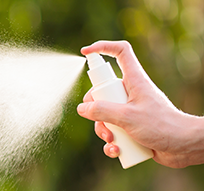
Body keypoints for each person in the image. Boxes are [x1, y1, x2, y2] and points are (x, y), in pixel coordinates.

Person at [78, 40, 204, 168]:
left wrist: (180, 135)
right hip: (172, 151)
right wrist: (185, 146)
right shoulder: (109, 88)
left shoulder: (114, 85)